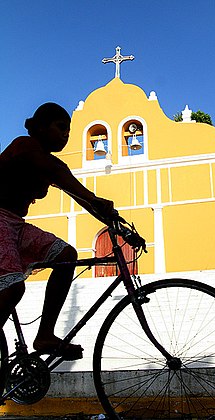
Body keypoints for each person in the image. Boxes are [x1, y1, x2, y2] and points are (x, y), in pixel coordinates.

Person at [0, 102, 115, 360]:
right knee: (14, 287)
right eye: (61, 127)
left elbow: (80, 196)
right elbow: (60, 176)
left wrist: (116, 223)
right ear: (40, 127)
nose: (66, 134)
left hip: (14, 225)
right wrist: (96, 201)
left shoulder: (55, 165)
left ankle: (45, 335)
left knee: (65, 255)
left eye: (69, 130)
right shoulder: (25, 146)